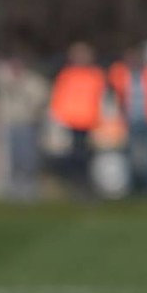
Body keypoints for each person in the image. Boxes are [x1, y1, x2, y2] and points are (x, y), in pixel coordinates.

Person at [0, 49, 50, 200]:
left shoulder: (33, 82)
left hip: (27, 123)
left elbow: (41, 98)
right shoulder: (3, 78)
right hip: (9, 122)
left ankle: (29, 187)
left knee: (27, 157)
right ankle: (12, 189)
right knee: (11, 159)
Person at [48, 41, 106, 197]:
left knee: (88, 156)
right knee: (75, 156)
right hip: (71, 122)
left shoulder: (96, 75)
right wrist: (58, 118)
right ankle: (77, 185)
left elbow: (101, 98)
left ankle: (88, 185)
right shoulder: (67, 75)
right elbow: (59, 98)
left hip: (90, 122)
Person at [108, 47, 147, 194]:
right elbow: (115, 92)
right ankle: (132, 187)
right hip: (130, 120)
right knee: (131, 156)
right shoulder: (120, 73)